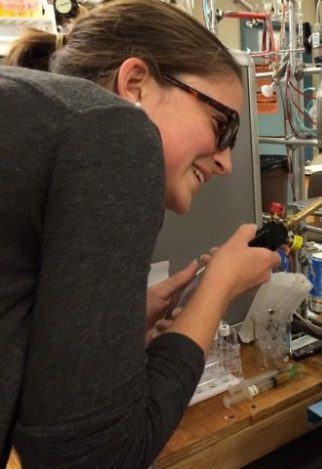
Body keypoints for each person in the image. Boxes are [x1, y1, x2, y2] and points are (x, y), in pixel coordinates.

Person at [0, 0, 280, 467]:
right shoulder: (112, 131)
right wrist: (217, 288)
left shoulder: (41, 117)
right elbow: (93, 457)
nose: (228, 163)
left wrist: (119, 326)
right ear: (135, 85)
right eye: (223, 125)